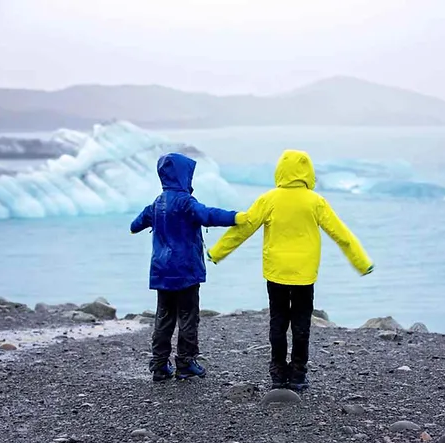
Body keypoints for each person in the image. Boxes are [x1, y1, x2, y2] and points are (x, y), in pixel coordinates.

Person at [207, 149, 373, 390]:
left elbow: (243, 229)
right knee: (301, 323)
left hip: (276, 272)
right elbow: (342, 235)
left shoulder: (269, 199)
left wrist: (217, 252)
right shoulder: (316, 201)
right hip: (304, 275)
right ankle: (298, 375)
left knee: (278, 321)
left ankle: (277, 373)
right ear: (307, 172)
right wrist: (361, 262)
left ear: (281, 171)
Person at [131, 152, 244, 382]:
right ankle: (185, 363)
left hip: (162, 271)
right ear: (183, 176)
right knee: (188, 317)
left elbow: (135, 225)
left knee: (163, 318)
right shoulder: (185, 202)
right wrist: (236, 217)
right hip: (185, 271)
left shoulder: (156, 203)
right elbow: (207, 215)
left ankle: (160, 365)